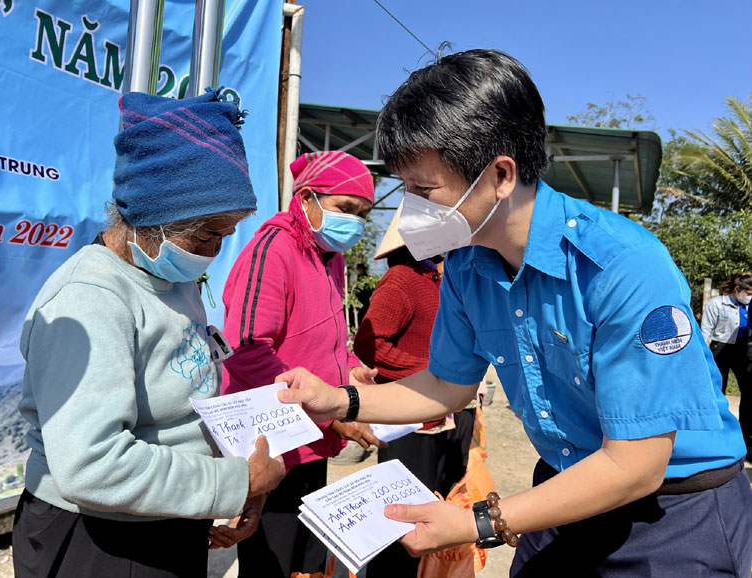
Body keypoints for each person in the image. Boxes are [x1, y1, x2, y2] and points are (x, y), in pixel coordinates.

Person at [276, 49, 752, 577]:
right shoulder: (465, 264)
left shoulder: (623, 266)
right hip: (562, 487)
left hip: (673, 513)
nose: (410, 209)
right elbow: (447, 384)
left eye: (424, 190)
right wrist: (340, 400)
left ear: (501, 174)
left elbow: (634, 465)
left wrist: (477, 522)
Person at [12, 90, 286, 578]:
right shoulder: (90, 299)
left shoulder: (172, 278)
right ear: (148, 216)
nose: (215, 251)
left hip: (159, 517)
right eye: (204, 236)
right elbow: (92, 466)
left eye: (226, 235)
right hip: (98, 540)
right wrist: (232, 481)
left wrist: (232, 484)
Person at [221, 150, 385, 578]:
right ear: (307, 198)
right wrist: (331, 416)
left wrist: (351, 368)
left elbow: (321, 339)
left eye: (363, 214)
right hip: (274, 444)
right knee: (272, 561)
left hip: (311, 436)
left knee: (304, 561)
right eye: (345, 209)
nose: (355, 222)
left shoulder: (329, 256)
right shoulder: (273, 248)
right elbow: (248, 349)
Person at [353, 205, 475, 577]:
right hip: (410, 420)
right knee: (402, 521)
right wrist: (425, 374)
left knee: (436, 506)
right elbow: (368, 344)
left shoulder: (435, 278)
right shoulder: (401, 280)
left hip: (442, 414)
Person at [701, 272, 752, 457]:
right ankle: (716, 433)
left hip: (742, 352)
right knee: (717, 391)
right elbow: (706, 331)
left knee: (747, 391)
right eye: (748, 292)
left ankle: (745, 435)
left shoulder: (749, 307)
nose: (749, 296)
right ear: (737, 290)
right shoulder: (717, 304)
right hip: (719, 349)